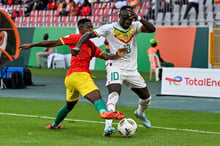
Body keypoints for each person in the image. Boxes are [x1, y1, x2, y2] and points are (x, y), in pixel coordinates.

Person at [19, 18, 125, 130]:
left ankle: (54, 125)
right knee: (96, 97)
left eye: (92, 27)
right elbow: (53, 42)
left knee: (69, 106)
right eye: (88, 27)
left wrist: (117, 55)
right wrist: (31, 45)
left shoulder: (91, 45)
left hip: (70, 78)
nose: (91, 29)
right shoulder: (75, 38)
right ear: (80, 28)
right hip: (79, 75)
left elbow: (105, 56)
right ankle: (104, 113)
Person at [71, 6, 156, 136]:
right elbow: (89, 34)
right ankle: (108, 127)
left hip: (132, 69)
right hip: (115, 66)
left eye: (130, 19)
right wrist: (77, 47)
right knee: (114, 93)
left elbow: (152, 29)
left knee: (146, 98)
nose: (128, 21)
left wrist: (138, 18)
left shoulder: (135, 26)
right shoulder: (109, 28)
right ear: (119, 17)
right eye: (125, 18)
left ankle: (140, 113)